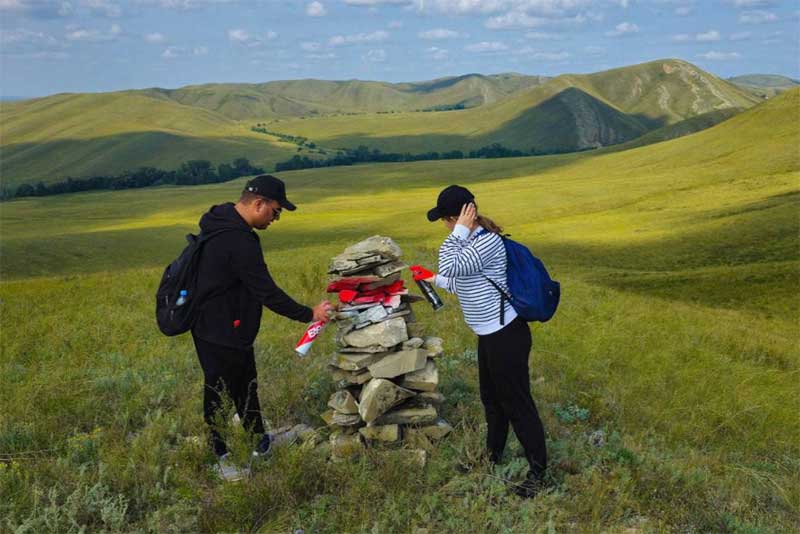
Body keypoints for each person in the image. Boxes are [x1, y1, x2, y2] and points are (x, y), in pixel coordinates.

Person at [191, 174, 332, 480]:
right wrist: (310, 313)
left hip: (225, 327)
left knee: (246, 386)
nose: (276, 218)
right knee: (218, 392)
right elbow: (266, 291)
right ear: (259, 203)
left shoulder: (222, 223)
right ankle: (219, 457)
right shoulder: (238, 240)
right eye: (275, 211)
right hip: (219, 329)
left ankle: (261, 443)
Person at [422, 184, 548, 498]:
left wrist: (460, 232)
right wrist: (430, 279)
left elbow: (450, 264)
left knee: (517, 404)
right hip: (489, 335)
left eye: (448, 220)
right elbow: (456, 280)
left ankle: (538, 473)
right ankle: (493, 457)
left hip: (506, 335)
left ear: (462, 216)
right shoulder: (471, 243)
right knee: (492, 401)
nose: (446, 226)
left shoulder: (487, 243)